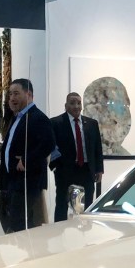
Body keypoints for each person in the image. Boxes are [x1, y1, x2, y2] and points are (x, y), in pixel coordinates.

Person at [0, 78, 55, 232]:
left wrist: (27, 160)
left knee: (20, 224)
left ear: (28, 94)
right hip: (12, 181)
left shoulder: (38, 117)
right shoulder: (17, 117)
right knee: (9, 220)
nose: (12, 98)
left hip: (26, 182)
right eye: (10, 94)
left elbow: (49, 143)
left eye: (16, 93)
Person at [50, 92, 104, 222]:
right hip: (65, 171)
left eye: (79, 103)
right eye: (72, 103)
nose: (76, 106)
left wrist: (99, 169)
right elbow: (50, 147)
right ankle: (58, 232)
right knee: (62, 205)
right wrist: (55, 167)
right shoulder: (55, 123)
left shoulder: (92, 124)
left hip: (86, 170)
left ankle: (85, 230)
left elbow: (97, 148)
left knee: (87, 206)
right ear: (66, 105)